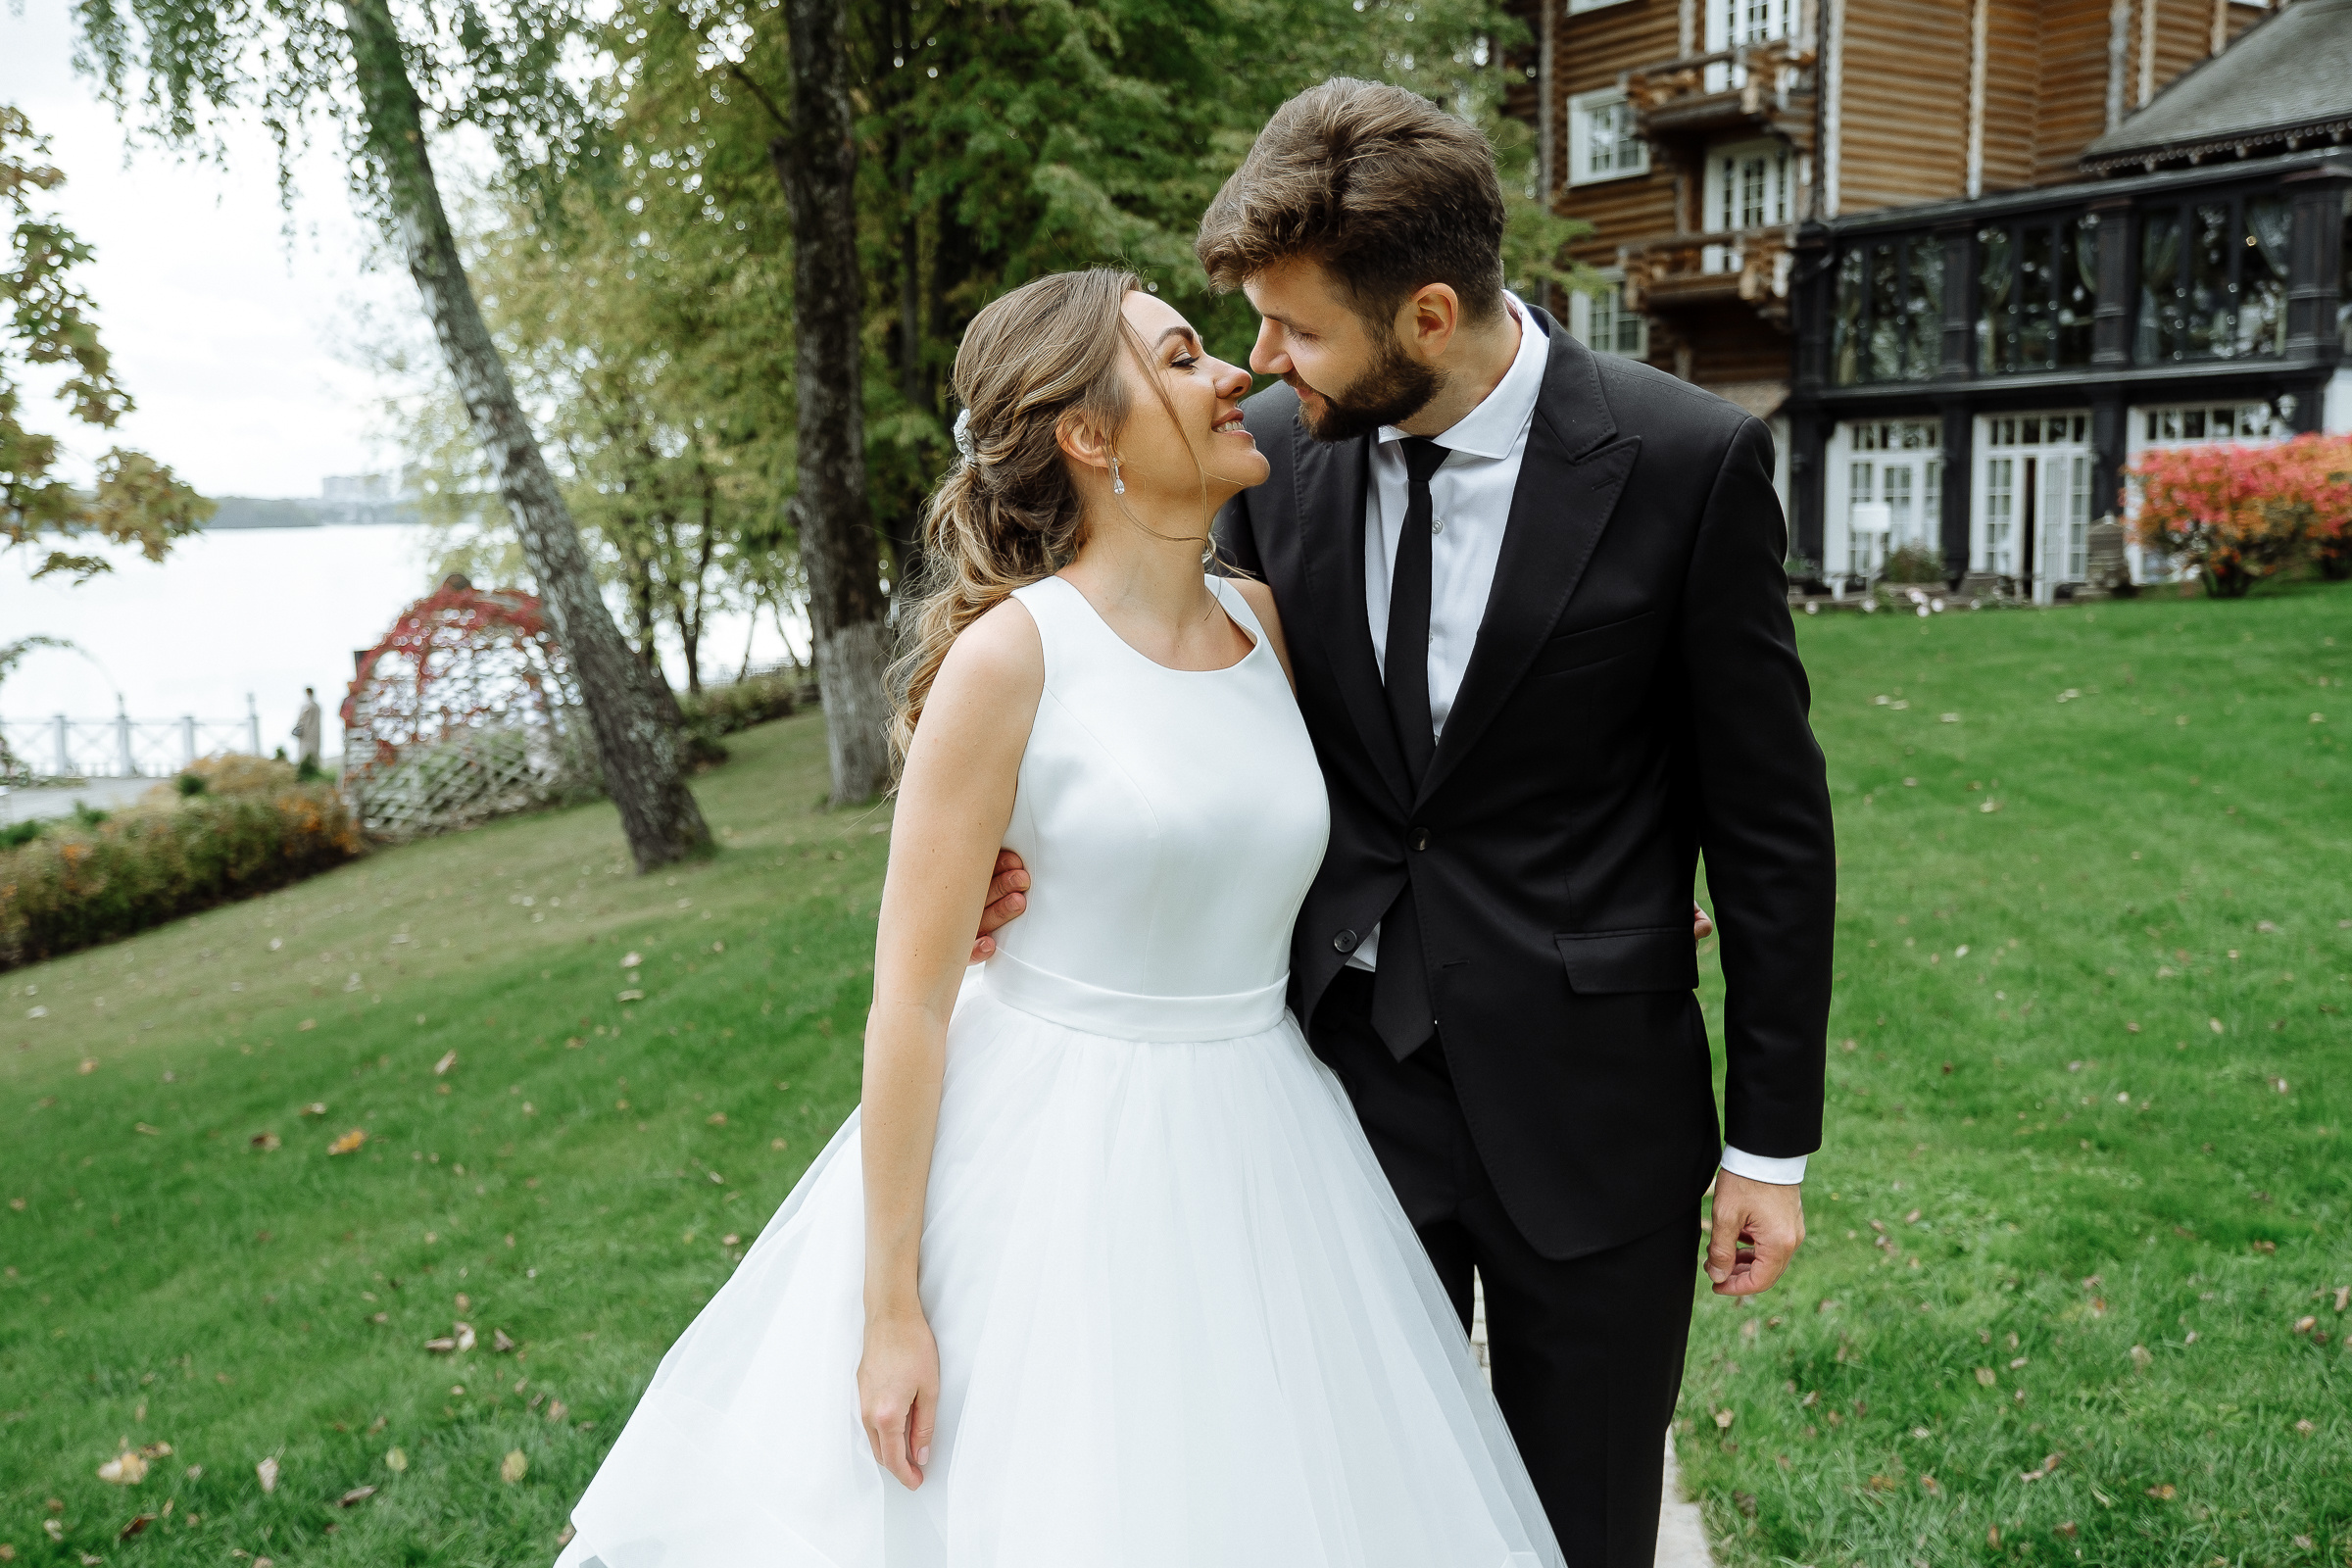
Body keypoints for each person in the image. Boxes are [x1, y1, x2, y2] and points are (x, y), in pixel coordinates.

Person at [551, 270, 1564, 1567]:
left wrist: (1569, 891)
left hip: (1270, 1142)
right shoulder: (1010, 659)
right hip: (1053, 1160)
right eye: (1186, 356)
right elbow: (909, 1003)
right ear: (1090, 437)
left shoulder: (1263, 622)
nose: (1234, 374)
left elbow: (1395, 827)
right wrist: (891, 1313)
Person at [978, 80, 1836, 1566]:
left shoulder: (1687, 464)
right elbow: (1172, 691)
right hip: (1332, 1100)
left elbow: (1769, 828)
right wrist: (1024, 857)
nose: (1255, 366)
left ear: (1427, 315)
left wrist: (1771, 1149)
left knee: (1584, 1530)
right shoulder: (1272, 462)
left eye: (1296, 330)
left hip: (1597, 1113)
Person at [291, 687, 322, 771]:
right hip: (314, 733)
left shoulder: (307, 705)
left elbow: (301, 718)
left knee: (305, 751)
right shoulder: (317, 706)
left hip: (307, 733)